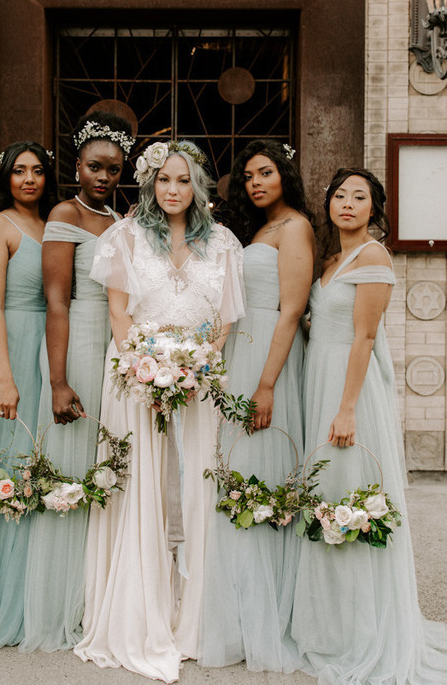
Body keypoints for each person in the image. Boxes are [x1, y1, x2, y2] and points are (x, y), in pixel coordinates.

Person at [74, 140, 245, 683]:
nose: (172, 191)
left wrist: (196, 363)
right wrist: (144, 366)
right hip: (135, 374)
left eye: (183, 180)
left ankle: (192, 616)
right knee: (143, 485)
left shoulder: (221, 242)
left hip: (198, 377)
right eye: (163, 181)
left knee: (195, 483)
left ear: (197, 185)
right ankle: (144, 607)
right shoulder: (124, 236)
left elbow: (225, 319)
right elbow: (118, 312)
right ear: (149, 184)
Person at [291, 168, 447, 684]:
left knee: (347, 498)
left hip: (348, 390)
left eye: (360, 197)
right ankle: (328, 620)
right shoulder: (331, 260)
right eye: (340, 195)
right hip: (320, 381)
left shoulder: (373, 257)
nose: (348, 204)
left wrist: (347, 408)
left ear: (375, 209)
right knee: (324, 494)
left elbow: (363, 338)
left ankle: (361, 629)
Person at [199, 140, 315, 673]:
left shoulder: (295, 229)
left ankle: (268, 616)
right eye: (248, 176)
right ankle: (239, 613)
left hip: (269, 359)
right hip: (240, 355)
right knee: (233, 476)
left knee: (260, 474)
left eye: (265, 172)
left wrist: (266, 385)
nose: (256, 183)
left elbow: (291, 311)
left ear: (284, 174)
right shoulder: (257, 231)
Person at [21, 112, 134, 653]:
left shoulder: (120, 218)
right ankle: (59, 602)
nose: (104, 176)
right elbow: (57, 301)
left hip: (115, 350)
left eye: (113, 168)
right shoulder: (65, 213)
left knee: (104, 469)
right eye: (95, 166)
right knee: (71, 466)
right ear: (78, 165)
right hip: (78, 345)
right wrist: (59, 380)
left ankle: (99, 597)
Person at [0, 141, 58, 650]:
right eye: (18, 171)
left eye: (38, 171)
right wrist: (5, 376)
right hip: (12, 350)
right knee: (12, 467)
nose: (28, 179)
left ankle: (41, 591)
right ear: (5, 176)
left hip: (51, 351)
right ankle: (8, 602)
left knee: (45, 466)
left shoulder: (55, 225)